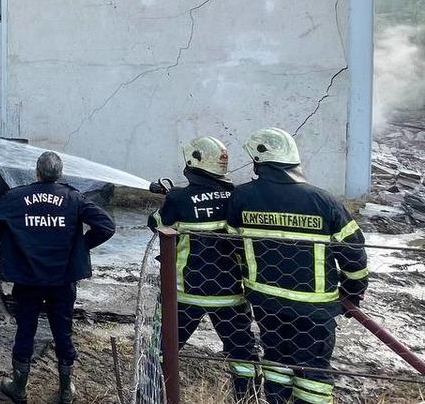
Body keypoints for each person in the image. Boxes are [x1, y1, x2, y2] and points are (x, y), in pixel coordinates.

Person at [226, 128, 367, 404]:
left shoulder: (242, 198)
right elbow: (354, 255)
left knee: (276, 360)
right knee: (313, 369)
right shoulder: (323, 201)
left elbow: (233, 244)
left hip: (266, 302)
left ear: (258, 162)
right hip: (314, 308)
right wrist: (352, 291)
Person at [0, 151, 116, 404]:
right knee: (63, 331)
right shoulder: (74, 198)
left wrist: (18, 242)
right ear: (60, 174)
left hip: (28, 278)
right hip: (63, 279)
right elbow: (106, 226)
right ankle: (66, 390)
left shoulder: (16, 197)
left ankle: (19, 388)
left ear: (36, 172)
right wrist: (81, 246)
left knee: (25, 329)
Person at [147, 136, 259, 400]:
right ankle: (247, 396)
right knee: (242, 353)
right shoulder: (236, 196)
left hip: (185, 293)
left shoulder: (179, 198)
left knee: (163, 349)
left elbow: (156, 223)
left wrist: (170, 198)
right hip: (230, 293)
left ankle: (154, 393)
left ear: (193, 162)